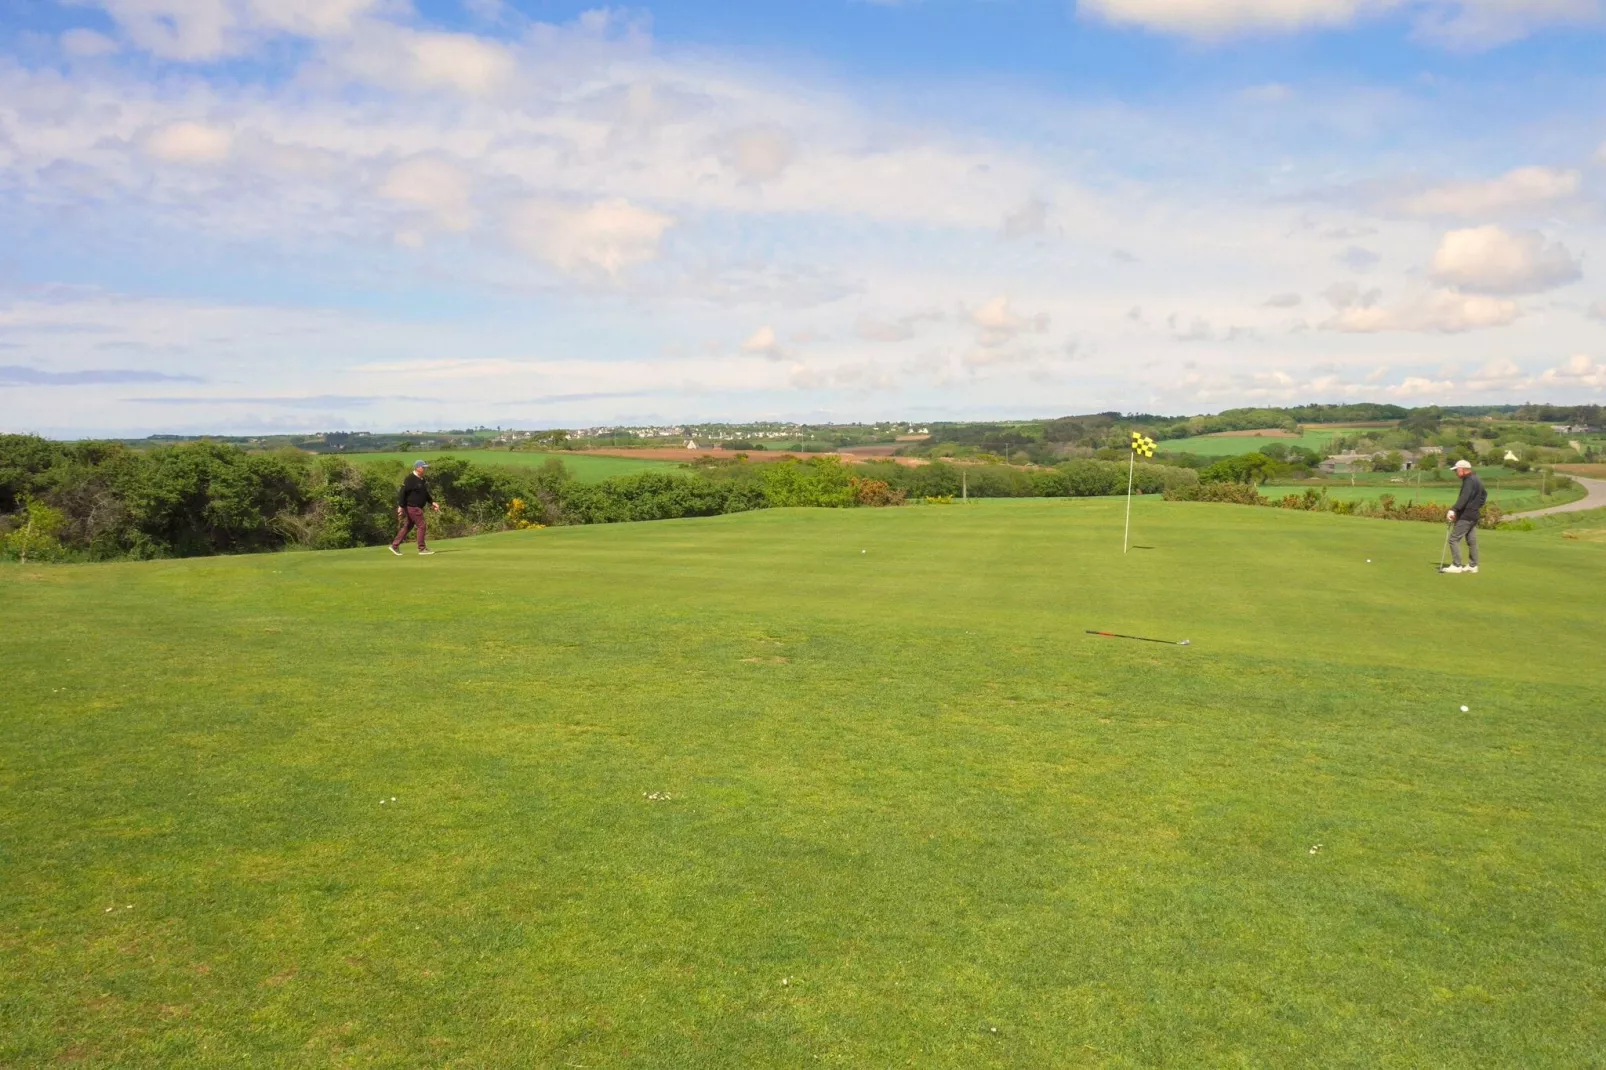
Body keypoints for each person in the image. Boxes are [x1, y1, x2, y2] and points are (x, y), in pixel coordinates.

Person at [1443, 459, 1486, 574]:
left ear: (1462, 469)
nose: (1456, 473)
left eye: (1456, 470)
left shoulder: (1468, 481)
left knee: (1453, 539)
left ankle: (1457, 565)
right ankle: (1473, 565)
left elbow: (1464, 497)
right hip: (1474, 514)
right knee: (1471, 540)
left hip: (1466, 515)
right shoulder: (1477, 479)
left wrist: (1454, 509)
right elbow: (1483, 495)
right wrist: (1476, 506)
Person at [391, 460, 440, 556]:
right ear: (417, 468)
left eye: (425, 467)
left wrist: (432, 502)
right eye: (423, 467)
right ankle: (422, 549)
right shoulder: (410, 479)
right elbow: (402, 493)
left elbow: (425, 493)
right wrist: (400, 506)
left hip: (416, 507)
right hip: (412, 506)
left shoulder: (422, 479)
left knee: (408, 525)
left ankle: (394, 545)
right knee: (422, 525)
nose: (425, 469)